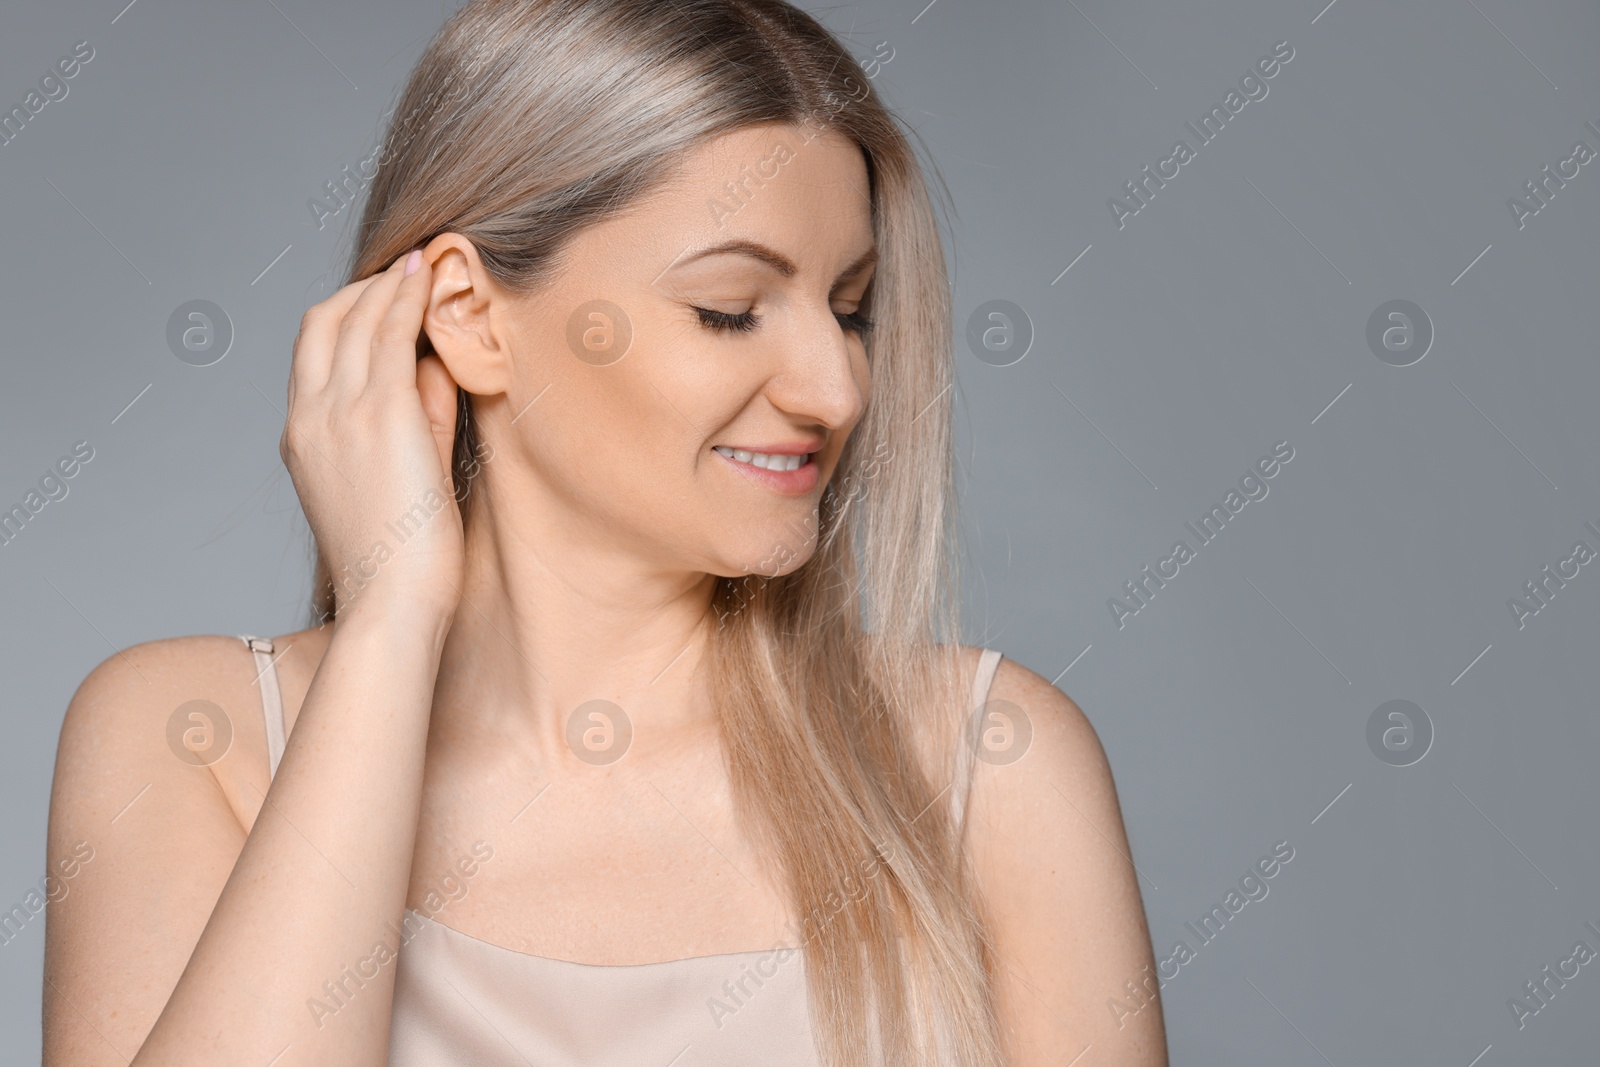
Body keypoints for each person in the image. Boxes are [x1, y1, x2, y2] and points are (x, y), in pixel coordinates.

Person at [42, 1, 1166, 1063]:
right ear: (470, 318)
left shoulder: (992, 771)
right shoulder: (192, 740)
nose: (836, 386)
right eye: (728, 308)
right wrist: (391, 617)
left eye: (851, 307)